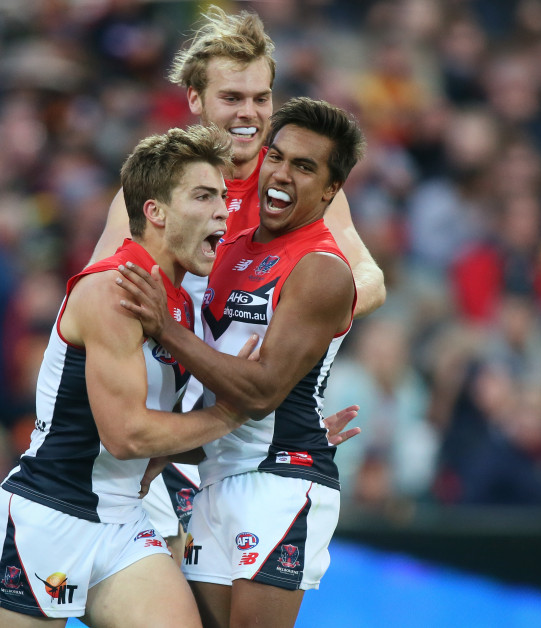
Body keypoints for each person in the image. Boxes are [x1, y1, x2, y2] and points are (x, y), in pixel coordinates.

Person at [88, 6, 369, 560]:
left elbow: (367, 280)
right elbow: (105, 303)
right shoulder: (159, 191)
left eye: (261, 98)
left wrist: (290, 406)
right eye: (231, 98)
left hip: (226, 439)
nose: (249, 114)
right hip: (155, 439)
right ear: (195, 100)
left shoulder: (294, 181)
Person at [0, 124, 253, 627]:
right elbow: (127, 436)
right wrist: (233, 412)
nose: (223, 211)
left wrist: (282, 428)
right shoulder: (115, 290)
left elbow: (168, 442)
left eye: (225, 198)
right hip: (51, 513)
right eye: (204, 196)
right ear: (155, 212)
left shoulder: (176, 305)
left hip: (123, 517)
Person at [117, 96, 365, 628]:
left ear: (330, 189)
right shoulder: (228, 245)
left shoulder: (322, 269)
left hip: (279, 478)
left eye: (304, 167)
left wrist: (165, 328)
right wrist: (161, 455)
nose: (280, 173)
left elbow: (259, 395)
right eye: (276, 157)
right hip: (214, 474)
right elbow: (207, 373)